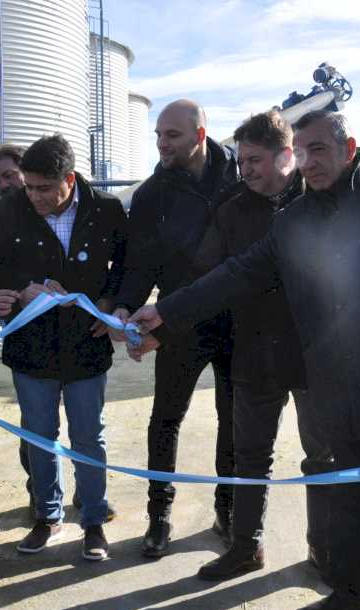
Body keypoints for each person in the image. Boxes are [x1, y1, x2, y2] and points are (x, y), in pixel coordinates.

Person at [130, 110, 360, 610]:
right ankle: (351, 594)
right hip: (341, 387)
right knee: (348, 499)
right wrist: (167, 312)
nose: (310, 162)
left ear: (349, 146)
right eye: (302, 151)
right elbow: (238, 272)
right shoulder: (294, 220)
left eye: (320, 149)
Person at [179, 111, 334, 581]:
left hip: (315, 357)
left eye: (255, 160)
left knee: (322, 459)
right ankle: (246, 547)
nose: (245, 169)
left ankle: (324, 549)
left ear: (288, 155)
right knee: (250, 458)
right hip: (253, 354)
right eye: (242, 160)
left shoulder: (324, 199)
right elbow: (208, 280)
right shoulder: (230, 212)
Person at [0, 134, 127, 560]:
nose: (34, 196)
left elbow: (129, 264)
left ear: (70, 178)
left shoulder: (106, 210)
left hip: (87, 343)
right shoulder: (9, 211)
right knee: (38, 436)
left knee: (88, 435)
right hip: (32, 346)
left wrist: (110, 304)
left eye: (44, 188)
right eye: (28, 186)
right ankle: (46, 517)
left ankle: (94, 522)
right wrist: (19, 290)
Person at [111, 99, 239, 558]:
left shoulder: (240, 178)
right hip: (177, 323)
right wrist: (126, 307)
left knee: (235, 421)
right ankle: (159, 515)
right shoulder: (152, 195)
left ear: (200, 135)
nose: (162, 144)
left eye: (173, 136)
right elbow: (139, 263)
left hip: (237, 321)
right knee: (165, 418)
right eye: (159, 136)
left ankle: (229, 509)